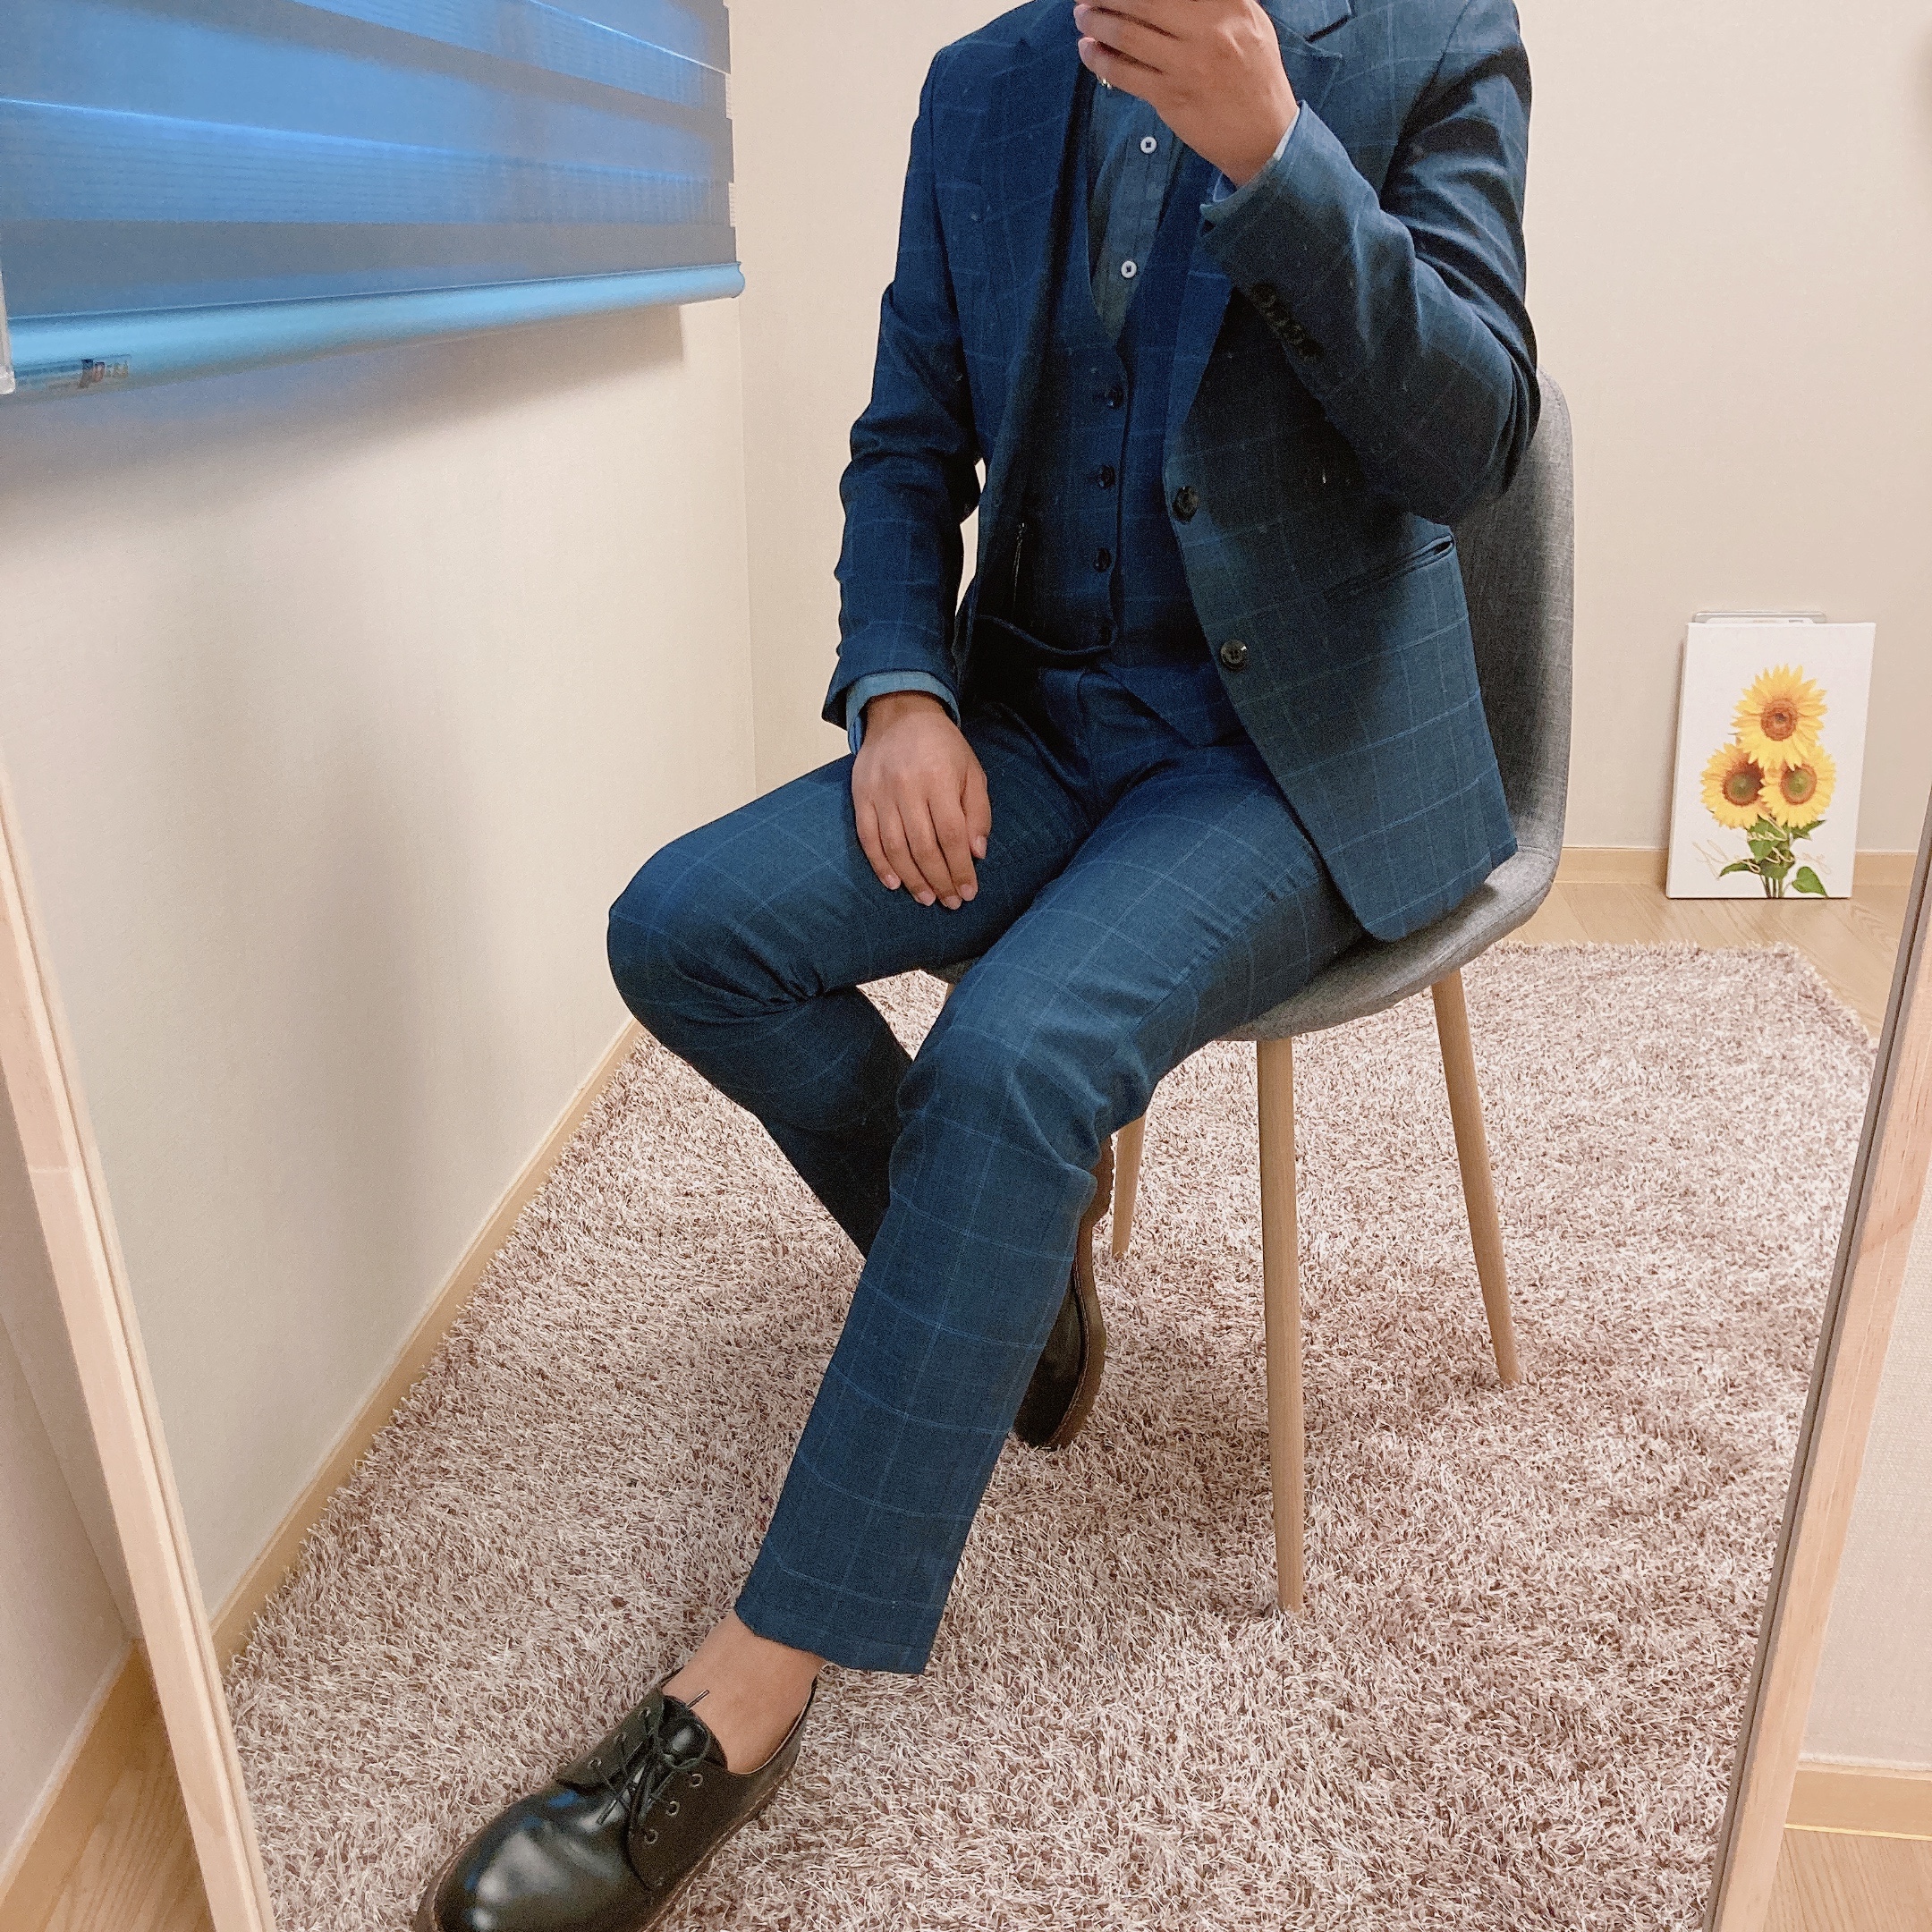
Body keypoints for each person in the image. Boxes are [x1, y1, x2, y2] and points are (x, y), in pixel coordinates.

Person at [418, 1, 1536, 1925]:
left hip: (1295, 752)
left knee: (1013, 1062)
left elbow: (1472, 444)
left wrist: (1278, 155)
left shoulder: (1435, 36)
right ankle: (1019, 1304)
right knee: (686, 929)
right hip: (1030, 715)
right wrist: (901, 686)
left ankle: (746, 1700)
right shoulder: (985, 85)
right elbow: (906, 446)